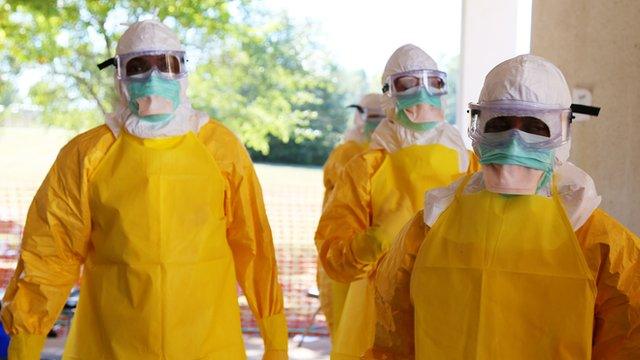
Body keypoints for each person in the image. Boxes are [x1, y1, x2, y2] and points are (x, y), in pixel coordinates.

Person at [0, 20, 288, 359]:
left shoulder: (221, 149)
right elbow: (50, 254)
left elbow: (253, 245)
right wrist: (24, 344)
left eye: (166, 64)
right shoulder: (87, 154)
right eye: (137, 66)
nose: (152, 78)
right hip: (113, 341)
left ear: (183, 70)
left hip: (206, 340)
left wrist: (275, 340)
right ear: (119, 75)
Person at [369, 54, 640, 359]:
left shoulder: (602, 243)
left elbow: (628, 343)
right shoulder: (428, 228)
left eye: (535, 127)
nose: (514, 142)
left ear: (562, 132)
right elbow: (393, 341)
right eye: (499, 124)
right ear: (479, 128)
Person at [315, 44, 477, 359]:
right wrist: (373, 243)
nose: (423, 93)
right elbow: (334, 254)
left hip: (450, 302)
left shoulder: (470, 164)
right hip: (378, 310)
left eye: (433, 83)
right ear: (390, 94)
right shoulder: (366, 167)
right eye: (408, 84)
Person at [317, 93, 384, 338]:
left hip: (365, 255)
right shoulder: (349, 153)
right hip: (347, 253)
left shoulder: (374, 153)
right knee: (348, 330)